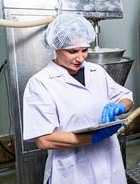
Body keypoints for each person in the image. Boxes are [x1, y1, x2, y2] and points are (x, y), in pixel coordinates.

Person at [23, 13, 133, 184]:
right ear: (56, 47)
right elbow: (43, 139)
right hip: (72, 170)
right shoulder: (40, 83)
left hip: (108, 160)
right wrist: (94, 138)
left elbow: (126, 96)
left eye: (85, 50)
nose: (80, 58)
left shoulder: (96, 71)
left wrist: (121, 106)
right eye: (72, 51)